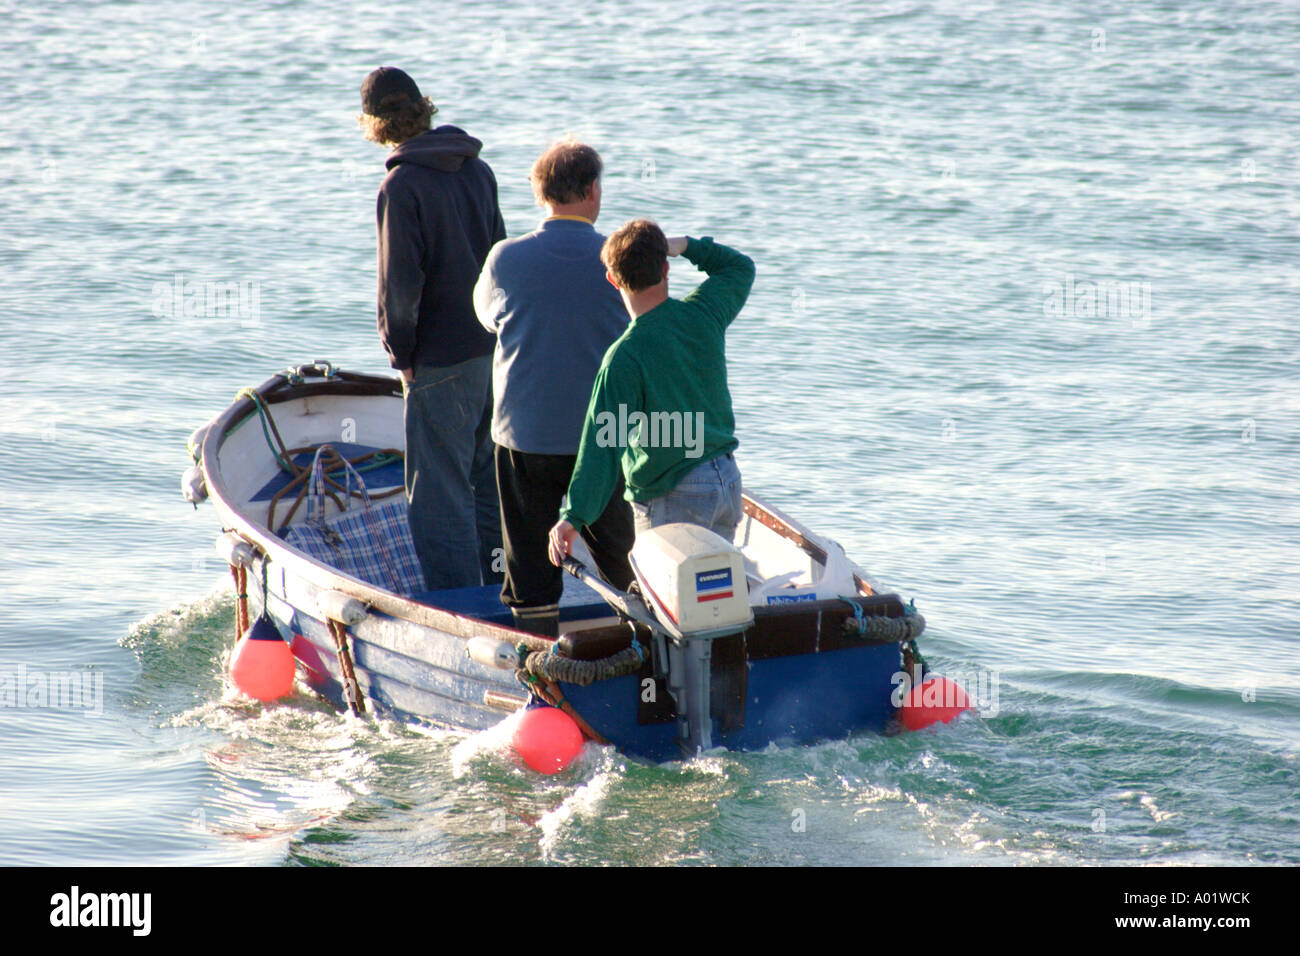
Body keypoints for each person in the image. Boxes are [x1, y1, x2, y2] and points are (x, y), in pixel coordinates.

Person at [473, 141, 635, 636]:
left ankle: (538, 664)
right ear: (592, 191)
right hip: (603, 437)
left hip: (526, 434)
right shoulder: (619, 259)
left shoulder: (505, 258)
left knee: (527, 564)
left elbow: (487, 320)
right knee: (621, 558)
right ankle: (638, 648)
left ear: (540, 194)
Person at [359, 66, 504, 590]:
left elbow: (400, 285)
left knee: (438, 494)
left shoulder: (401, 186)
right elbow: (500, 260)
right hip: (493, 349)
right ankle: (500, 591)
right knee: (487, 481)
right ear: (424, 106)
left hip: (439, 360)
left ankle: (460, 608)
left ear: (375, 124)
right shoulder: (477, 170)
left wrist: (401, 356)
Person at [547, 220, 755, 568]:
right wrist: (686, 244)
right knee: (714, 600)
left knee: (669, 607)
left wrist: (574, 516)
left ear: (612, 279)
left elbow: (603, 445)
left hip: (675, 494)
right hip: (725, 482)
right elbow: (739, 266)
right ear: (665, 268)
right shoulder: (704, 313)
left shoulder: (624, 356)